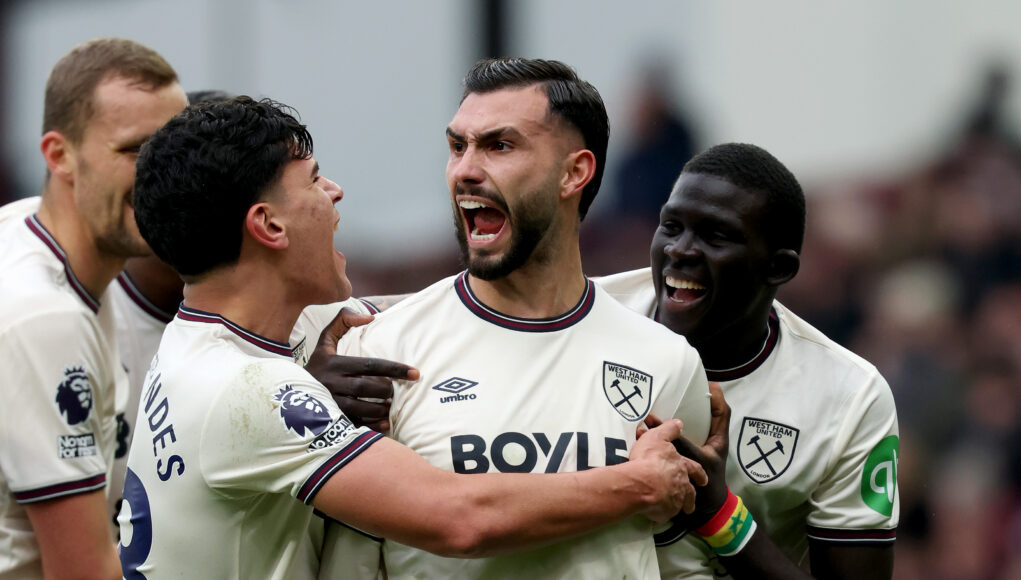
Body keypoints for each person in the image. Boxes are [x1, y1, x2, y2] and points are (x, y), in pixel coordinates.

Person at [119, 95, 706, 578]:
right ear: (269, 226)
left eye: (498, 145)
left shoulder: (205, 345)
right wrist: (635, 483)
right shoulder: (251, 390)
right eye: (314, 179)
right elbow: (456, 517)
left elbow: (436, 310)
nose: (335, 192)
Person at [322, 57, 712, 579]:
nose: (465, 169)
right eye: (458, 146)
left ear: (575, 172)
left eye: (499, 145)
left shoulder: (666, 362)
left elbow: (682, 568)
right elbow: (350, 566)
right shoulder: (382, 350)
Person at [595, 142, 899, 578]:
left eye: (715, 235)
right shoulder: (586, 320)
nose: (680, 250)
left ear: (778, 267)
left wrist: (719, 517)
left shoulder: (851, 398)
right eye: (671, 226)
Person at [0, 38, 188, 579]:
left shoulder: (27, 229)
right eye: (135, 151)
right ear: (59, 156)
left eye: (170, 152)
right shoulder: (46, 317)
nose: (163, 178)